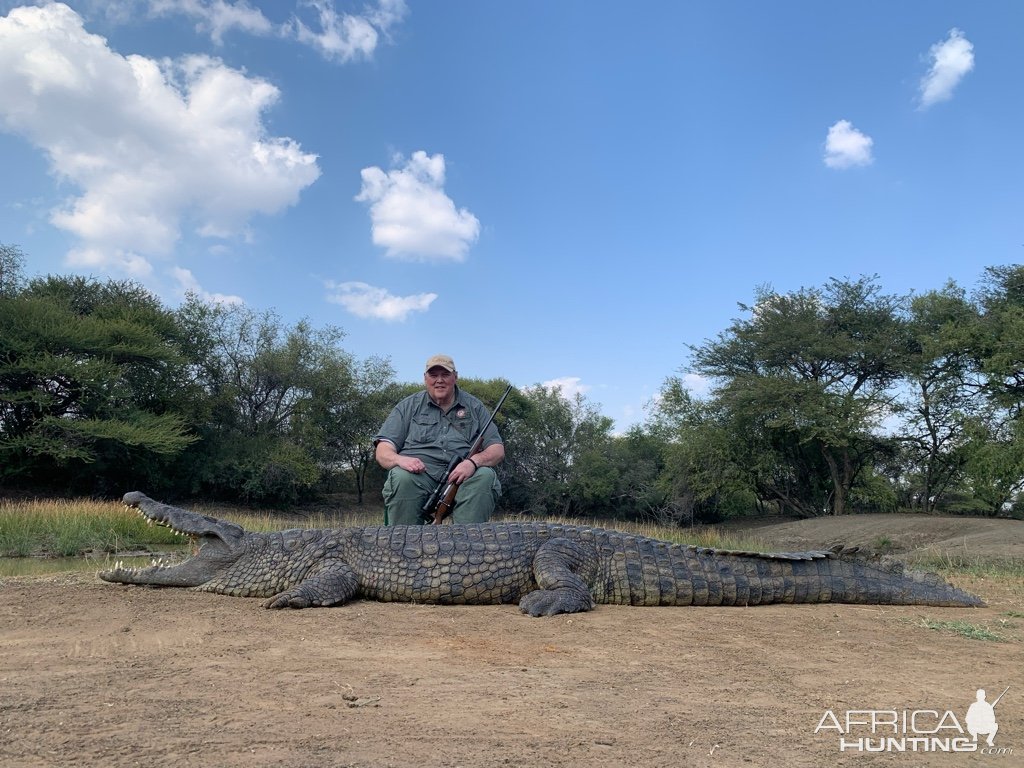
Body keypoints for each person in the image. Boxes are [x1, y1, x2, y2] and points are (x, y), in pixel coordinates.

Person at [374, 354, 504, 525]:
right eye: (433, 375)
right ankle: (402, 548)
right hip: (418, 476)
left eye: (445, 375)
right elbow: (383, 450)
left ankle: (468, 547)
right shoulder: (407, 406)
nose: (439, 380)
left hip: (461, 478)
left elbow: (497, 449)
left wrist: (473, 462)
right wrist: (400, 460)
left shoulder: (475, 406)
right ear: (425, 378)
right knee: (400, 477)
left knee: (485, 476)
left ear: (455, 377)